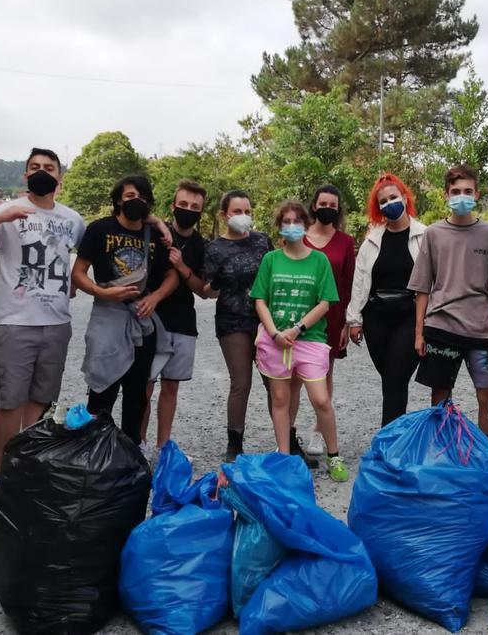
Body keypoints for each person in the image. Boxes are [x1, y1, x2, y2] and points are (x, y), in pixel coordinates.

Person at [0, 147, 84, 505]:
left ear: (60, 177)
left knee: (41, 401)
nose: (42, 172)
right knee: (10, 403)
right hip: (15, 322)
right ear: (26, 175)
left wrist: (77, 284)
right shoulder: (8, 212)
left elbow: (86, 258)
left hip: (57, 323)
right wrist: (0, 217)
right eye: (35, 167)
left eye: (49, 168)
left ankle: (28, 465)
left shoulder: (72, 219)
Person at [72, 175, 177, 449]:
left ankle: (130, 453)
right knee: (102, 388)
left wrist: (155, 297)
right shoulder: (99, 229)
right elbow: (78, 273)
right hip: (107, 317)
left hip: (143, 321)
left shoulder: (153, 234)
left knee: (137, 393)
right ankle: (94, 451)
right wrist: (102, 292)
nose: (136, 202)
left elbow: (171, 276)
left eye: (142, 197)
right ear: (119, 199)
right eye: (130, 196)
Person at [250, 200, 348, 482]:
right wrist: (274, 333)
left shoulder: (319, 261)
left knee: (321, 399)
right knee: (280, 398)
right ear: (279, 227)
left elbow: (326, 302)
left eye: (297, 221)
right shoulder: (271, 260)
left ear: (306, 225)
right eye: (286, 222)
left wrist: (296, 329)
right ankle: (284, 457)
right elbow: (260, 300)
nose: (292, 227)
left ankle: (334, 454)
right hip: (275, 340)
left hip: (309, 339)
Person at [408, 164, 488, 442]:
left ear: (477, 193)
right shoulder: (434, 234)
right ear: (446, 195)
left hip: (483, 329)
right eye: (456, 191)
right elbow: (422, 287)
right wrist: (418, 333)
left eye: (468, 191)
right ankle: (442, 453)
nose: (462, 196)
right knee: (440, 396)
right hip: (442, 326)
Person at [346, 173, 427, 426]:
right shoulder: (372, 240)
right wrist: (354, 319)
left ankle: (389, 443)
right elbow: (360, 280)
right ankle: (395, 438)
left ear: (405, 197)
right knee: (390, 379)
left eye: (393, 197)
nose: (389, 203)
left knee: (395, 377)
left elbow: (434, 280)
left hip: (409, 315)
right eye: (383, 201)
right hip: (376, 318)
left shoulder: (425, 236)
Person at [200, 190, 272, 462]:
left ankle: (287, 438)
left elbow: (274, 274)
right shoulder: (214, 248)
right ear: (224, 215)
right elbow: (206, 291)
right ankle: (235, 443)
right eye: (237, 212)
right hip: (232, 321)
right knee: (241, 383)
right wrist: (217, 281)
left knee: (274, 382)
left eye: (247, 211)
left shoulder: (262, 241)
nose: (243, 217)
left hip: (265, 320)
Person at [140, 179, 208, 454]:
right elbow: (136, 211)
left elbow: (203, 291)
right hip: (149, 320)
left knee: (171, 387)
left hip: (183, 321)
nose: (188, 210)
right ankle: (138, 442)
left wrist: (182, 268)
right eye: (183, 204)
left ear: (201, 212)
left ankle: (162, 445)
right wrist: (157, 222)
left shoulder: (203, 246)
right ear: (173, 206)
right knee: (144, 386)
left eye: (195, 207)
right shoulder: (157, 232)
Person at [292, 185, 355, 458]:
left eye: (334, 204)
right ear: (314, 206)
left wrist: (346, 323)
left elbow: (349, 283)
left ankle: (319, 431)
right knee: (292, 375)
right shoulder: (298, 237)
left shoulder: (345, 242)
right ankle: (288, 433)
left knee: (324, 374)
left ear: (338, 208)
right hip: (297, 314)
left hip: (332, 317)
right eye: (323, 203)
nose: (328, 208)